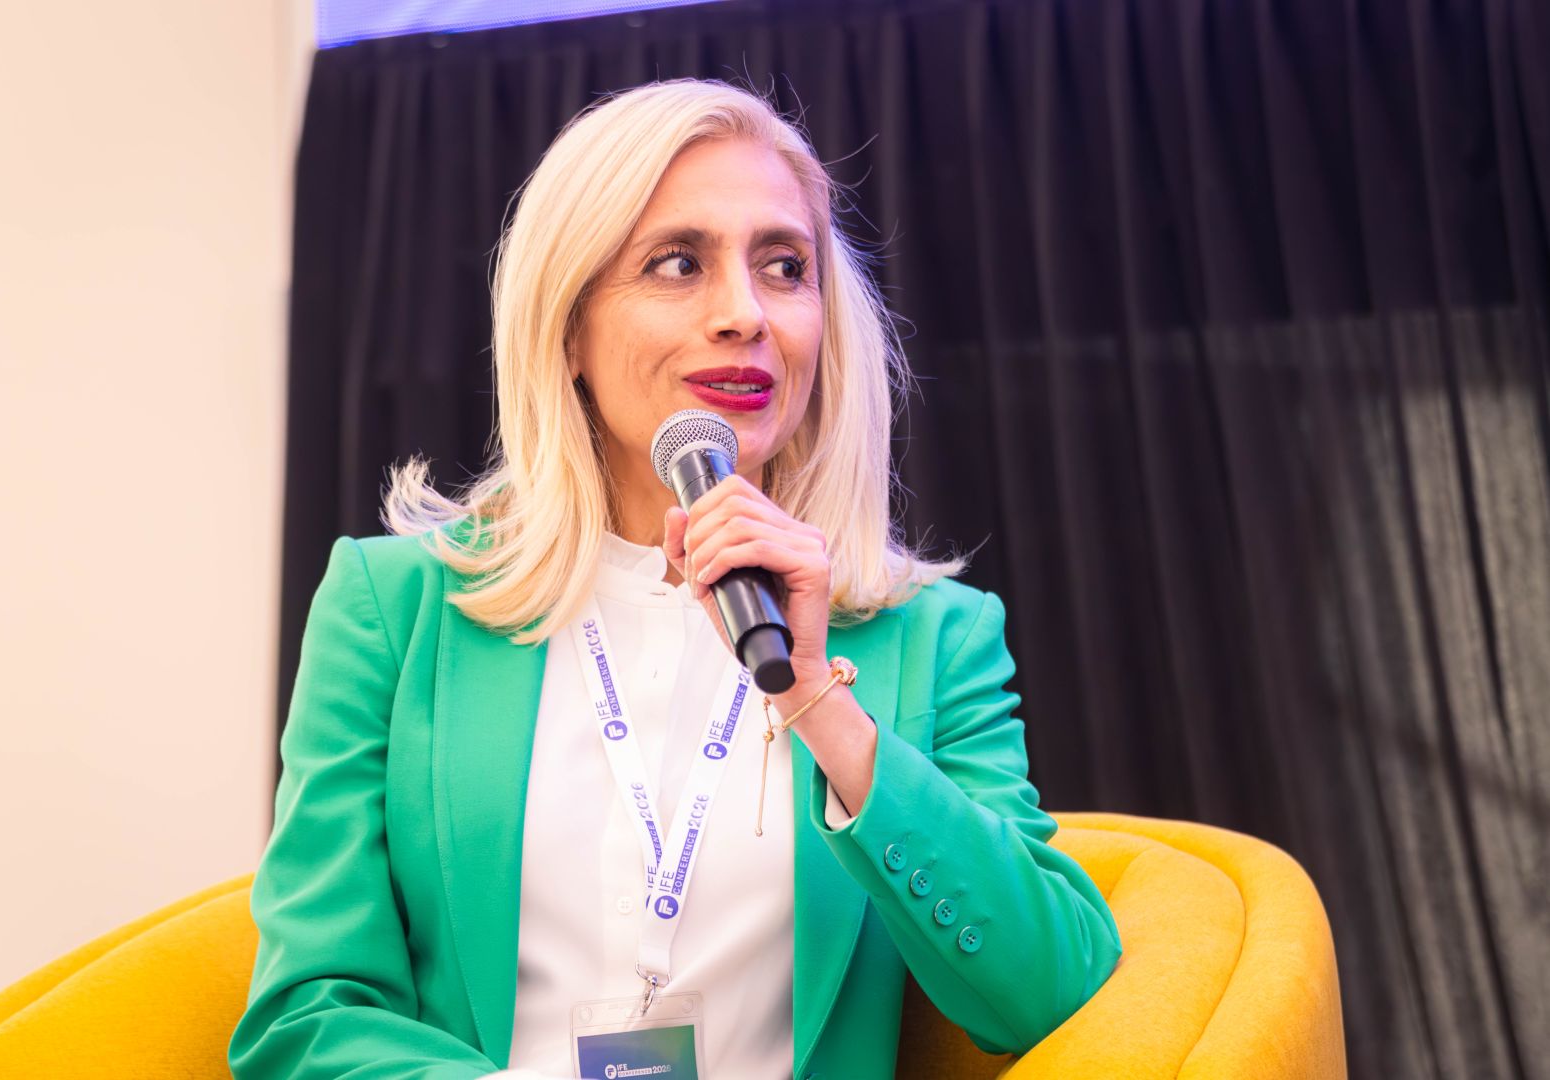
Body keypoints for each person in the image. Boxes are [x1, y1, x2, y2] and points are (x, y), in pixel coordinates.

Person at [229, 78, 1121, 1080]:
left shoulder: (933, 637)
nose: (744, 313)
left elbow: (1052, 989)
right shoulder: (392, 611)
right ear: (567, 328)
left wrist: (821, 702)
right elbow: (305, 1020)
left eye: (785, 267)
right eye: (677, 264)